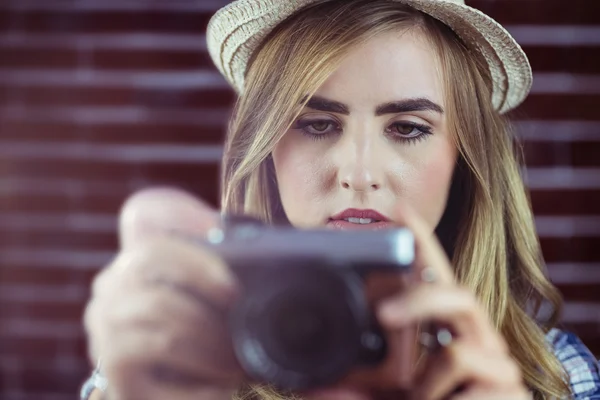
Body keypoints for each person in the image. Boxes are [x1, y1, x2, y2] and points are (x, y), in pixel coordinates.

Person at [80, 0, 600, 399]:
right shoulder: (174, 353)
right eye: (318, 124)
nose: (359, 173)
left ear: (465, 158)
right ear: (265, 152)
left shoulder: (556, 376)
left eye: (407, 128)